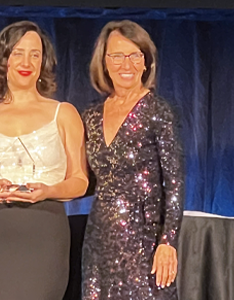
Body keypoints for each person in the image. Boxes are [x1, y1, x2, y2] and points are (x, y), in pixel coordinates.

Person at [0, 20, 88, 300]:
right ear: (3, 58)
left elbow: (79, 181)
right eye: (18, 52)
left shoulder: (64, 114)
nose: (27, 61)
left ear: (44, 63)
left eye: (35, 54)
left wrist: (49, 191)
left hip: (43, 234)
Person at [81, 20, 184, 300]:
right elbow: (84, 180)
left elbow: (174, 184)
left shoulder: (159, 111)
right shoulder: (90, 116)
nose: (126, 64)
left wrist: (168, 242)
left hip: (146, 242)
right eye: (117, 55)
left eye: (135, 55)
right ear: (103, 62)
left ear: (146, 62)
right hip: (99, 240)